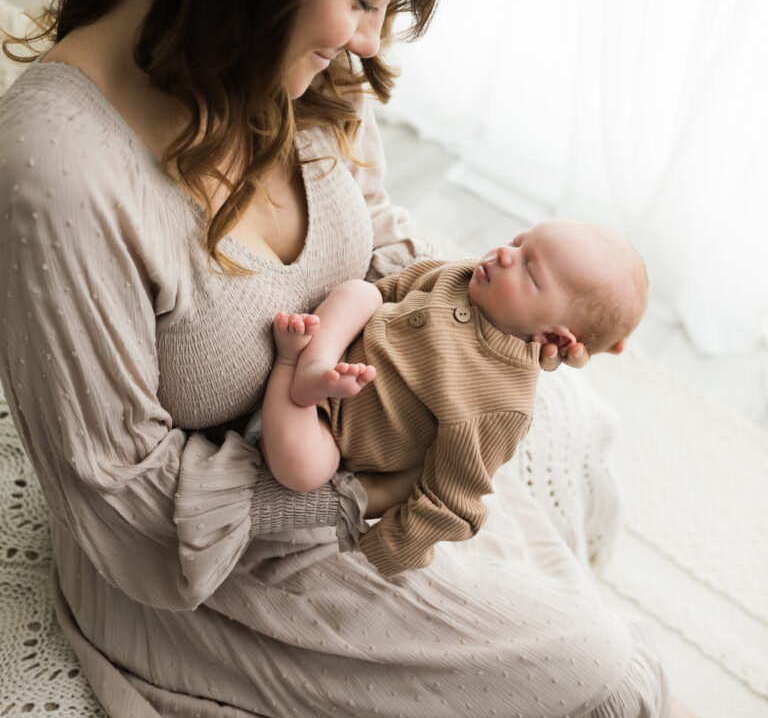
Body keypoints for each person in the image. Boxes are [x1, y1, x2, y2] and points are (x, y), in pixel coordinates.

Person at [0, 0, 702, 718]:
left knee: (564, 443)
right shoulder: (60, 174)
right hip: (216, 559)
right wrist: (363, 488)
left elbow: (371, 227)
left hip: (363, 443)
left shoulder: (294, 62)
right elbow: (128, 515)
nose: (368, 42)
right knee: (609, 680)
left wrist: (484, 317)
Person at [258, 220, 648, 577]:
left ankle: (291, 364)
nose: (506, 254)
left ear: (555, 339)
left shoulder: (502, 402)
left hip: (338, 434)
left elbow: (454, 493)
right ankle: (312, 363)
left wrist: (391, 547)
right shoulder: (459, 276)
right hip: (340, 351)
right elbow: (392, 292)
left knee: (304, 469)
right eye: (518, 240)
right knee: (360, 294)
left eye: (528, 269)